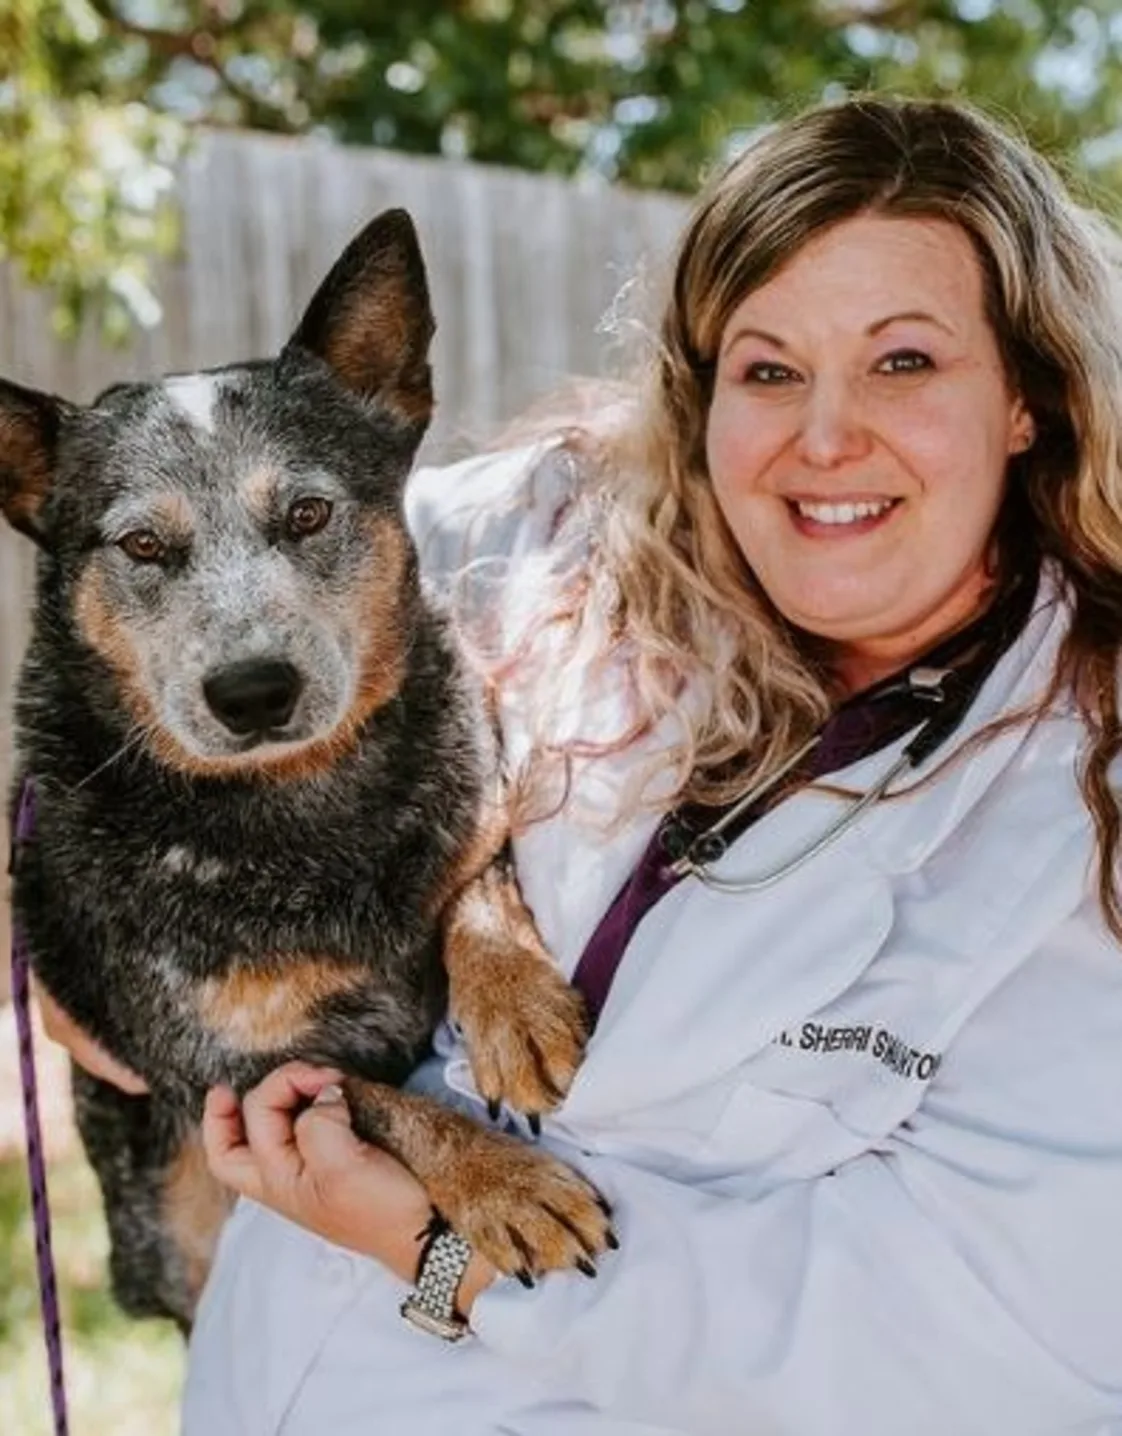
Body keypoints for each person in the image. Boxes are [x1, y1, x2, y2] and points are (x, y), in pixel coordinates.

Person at [46, 96, 1122, 1434]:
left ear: (1026, 395)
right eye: (767, 367)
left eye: (903, 362)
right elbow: (142, 657)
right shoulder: (535, 541)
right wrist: (49, 883)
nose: (824, 439)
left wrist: (439, 1254)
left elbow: (993, 1354)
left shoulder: (1079, 822)